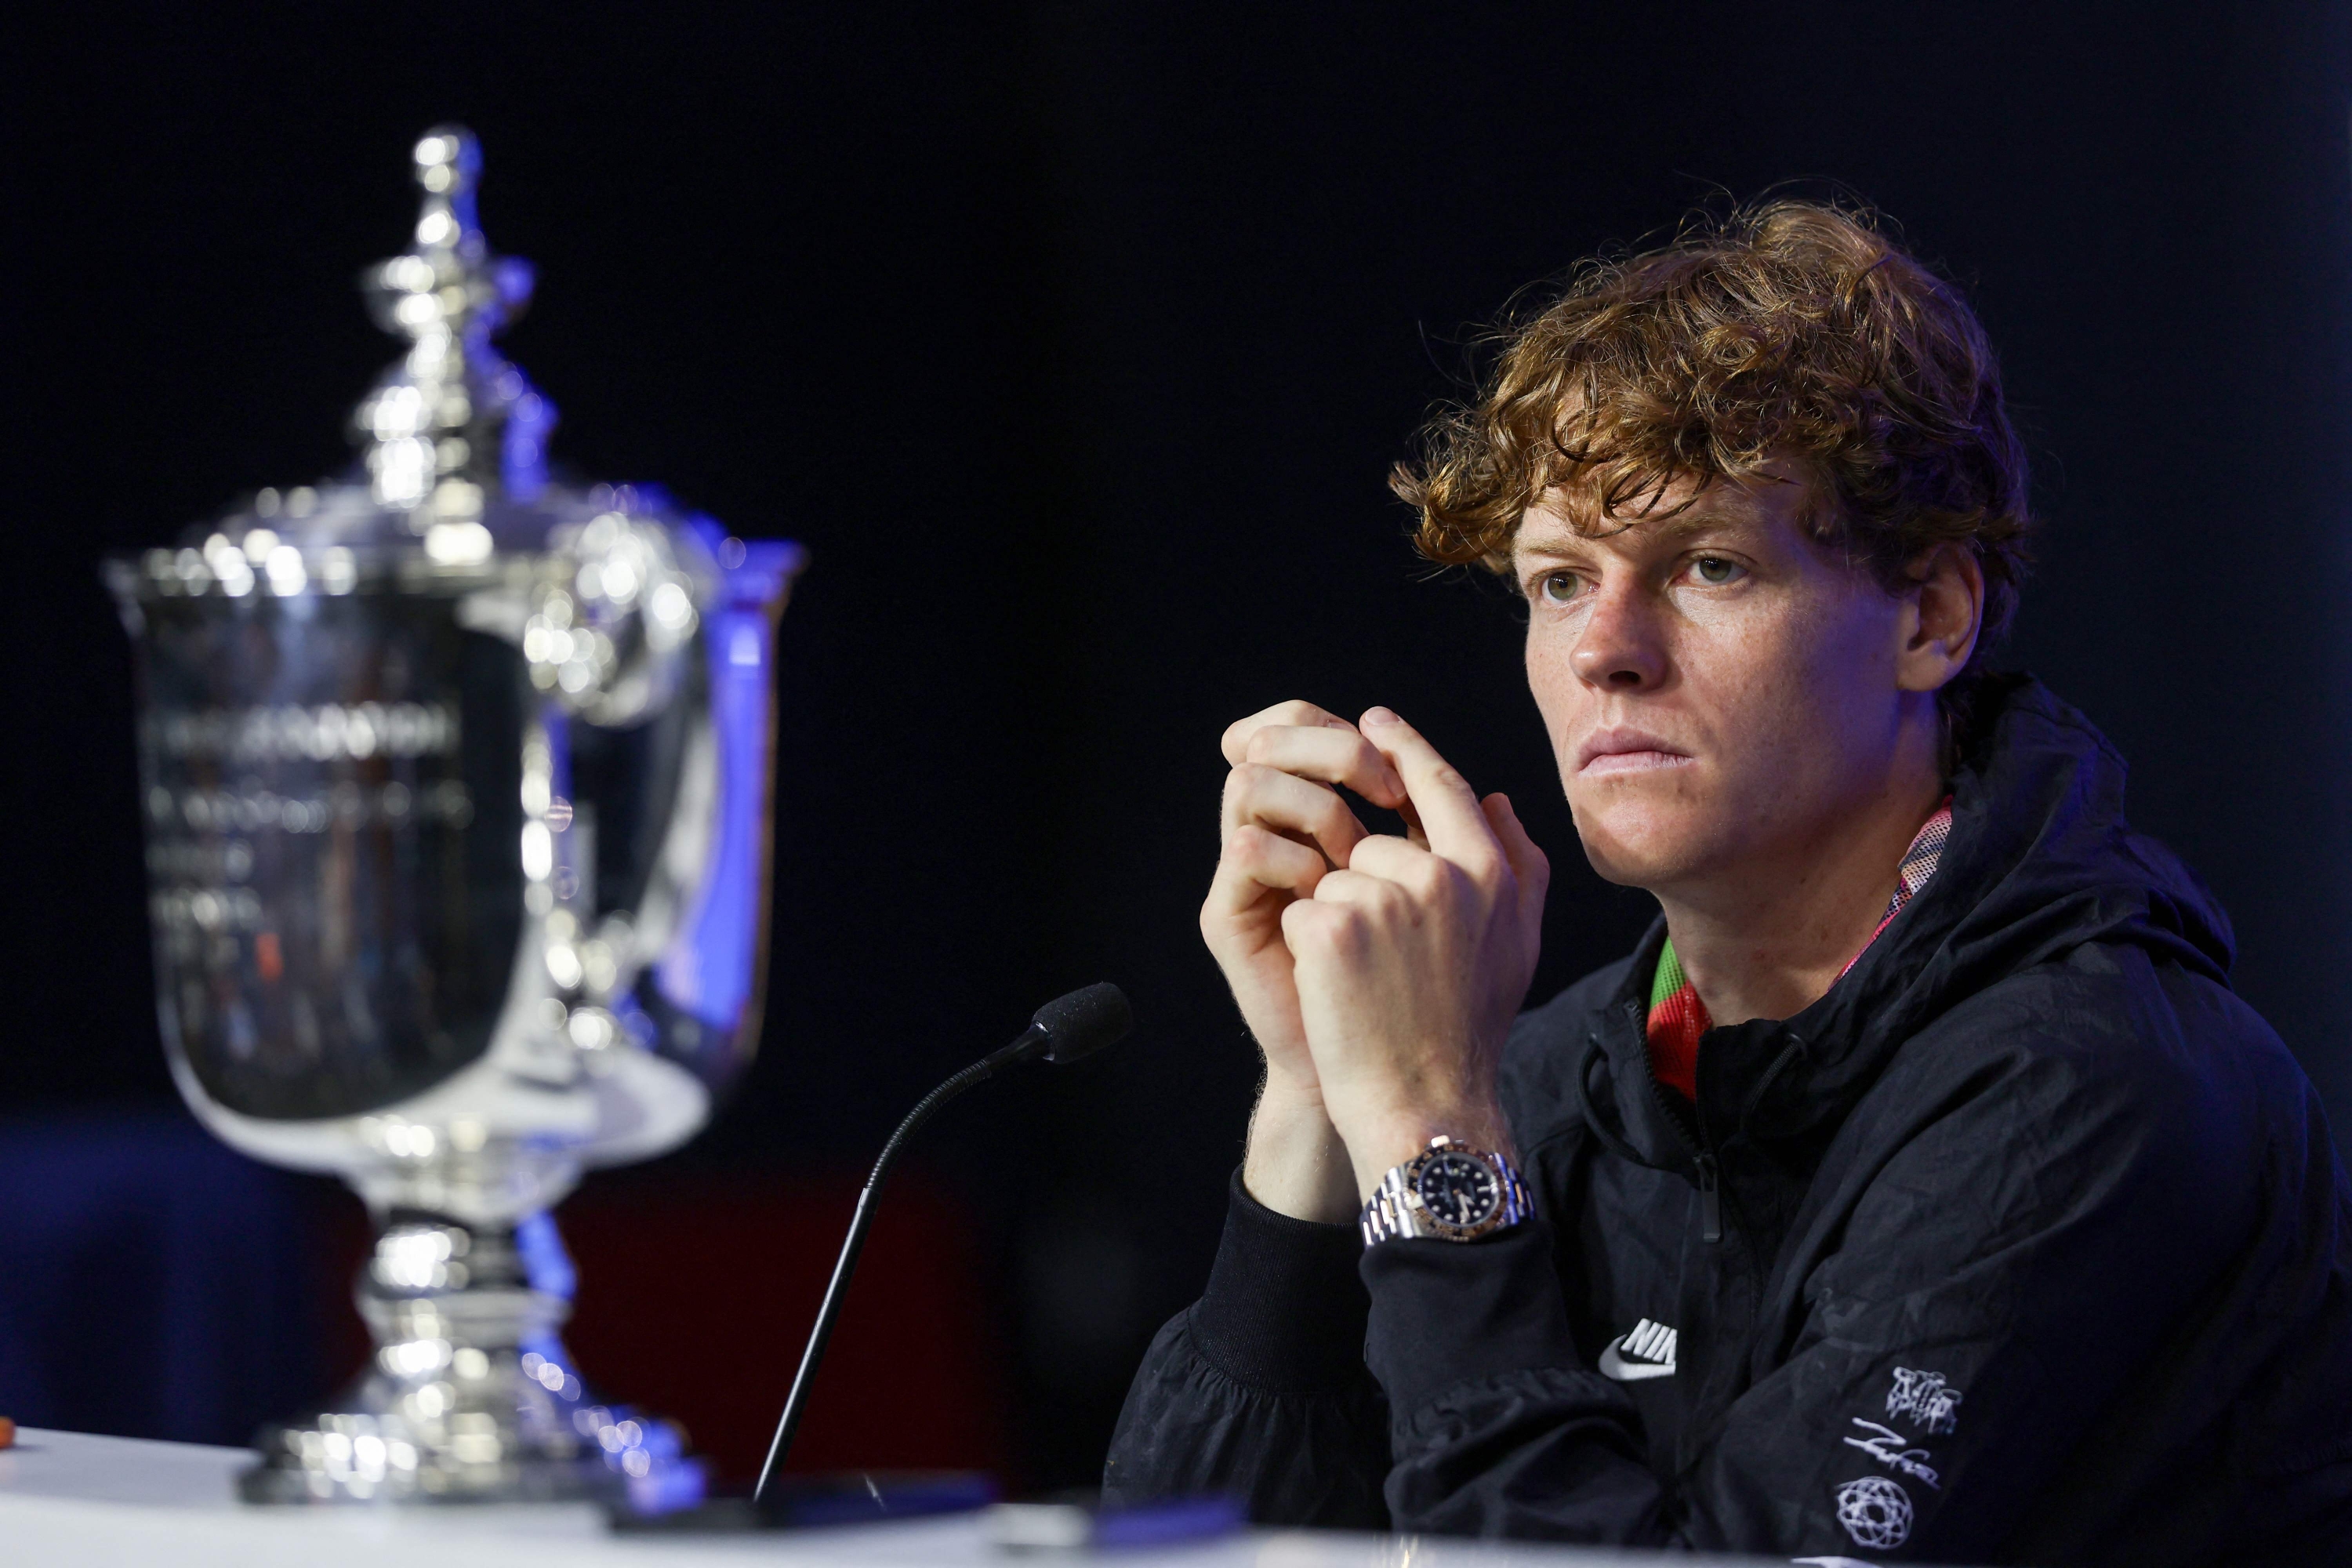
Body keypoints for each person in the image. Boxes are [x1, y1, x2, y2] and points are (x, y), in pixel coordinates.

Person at [1099, 200, 2352, 1564]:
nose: (1606, 653)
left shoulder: (2090, 1090)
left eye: (1709, 564)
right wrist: (1317, 1101)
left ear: (1931, 617)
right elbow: (1179, 1551)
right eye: (1559, 580)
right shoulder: (1555, 1074)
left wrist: (1427, 1132)